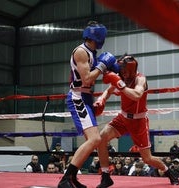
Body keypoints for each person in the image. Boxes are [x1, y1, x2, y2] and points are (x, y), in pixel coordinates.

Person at [94, 54, 179, 187]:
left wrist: (120, 84)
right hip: (122, 118)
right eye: (122, 71)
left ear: (132, 70)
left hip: (139, 122)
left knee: (147, 158)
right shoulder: (121, 76)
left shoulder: (141, 79)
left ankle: (168, 171)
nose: (123, 74)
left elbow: (137, 95)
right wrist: (101, 99)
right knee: (101, 139)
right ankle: (105, 176)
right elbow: (109, 90)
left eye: (125, 71)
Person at [57, 20, 118, 188]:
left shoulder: (92, 53)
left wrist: (116, 67)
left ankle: (104, 176)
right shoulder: (81, 52)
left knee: (94, 142)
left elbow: (104, 72)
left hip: (86, 98)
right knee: (95, 139)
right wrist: (102, 66)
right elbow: (87, 78)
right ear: (97, 36)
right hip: (78, 98)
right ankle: (66, 179)